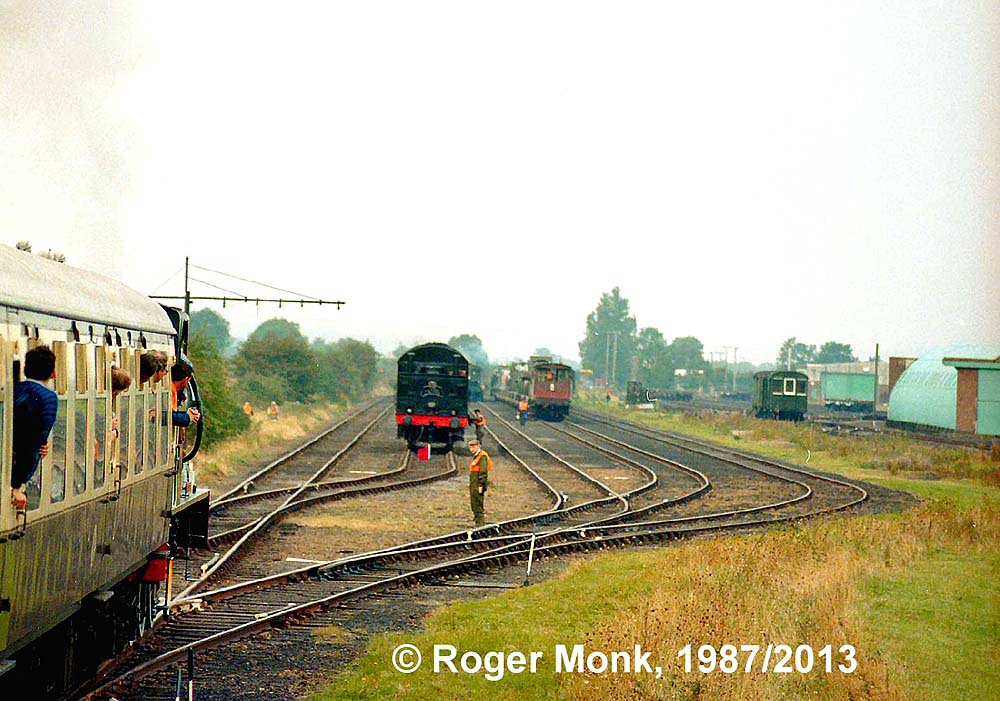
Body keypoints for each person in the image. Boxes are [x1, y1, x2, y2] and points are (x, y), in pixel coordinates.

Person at [11, 346, 59, 510]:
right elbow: (34, 444)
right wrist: (16, 486)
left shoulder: (13, 390)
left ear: (25, 368)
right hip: (15, 474)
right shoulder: (48, 398)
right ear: (53, 372)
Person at [467, 438, 493, 527]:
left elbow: (483, 472)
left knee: (477, 505)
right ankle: (478, 523)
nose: (471, 449)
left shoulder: (482, 456)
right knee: (474, 504)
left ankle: (480, 525)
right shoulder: (477, 456)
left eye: (473, 447)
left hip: (478, 485)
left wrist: (481, 485)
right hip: (474, 485)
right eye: (470, 447)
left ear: (478, 446)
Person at [170, 358, 201, 427]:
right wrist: (187, 417)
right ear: (185, 379)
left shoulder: (174, 391)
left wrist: (187, 414)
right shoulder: (170, 391)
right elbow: (167, 416)